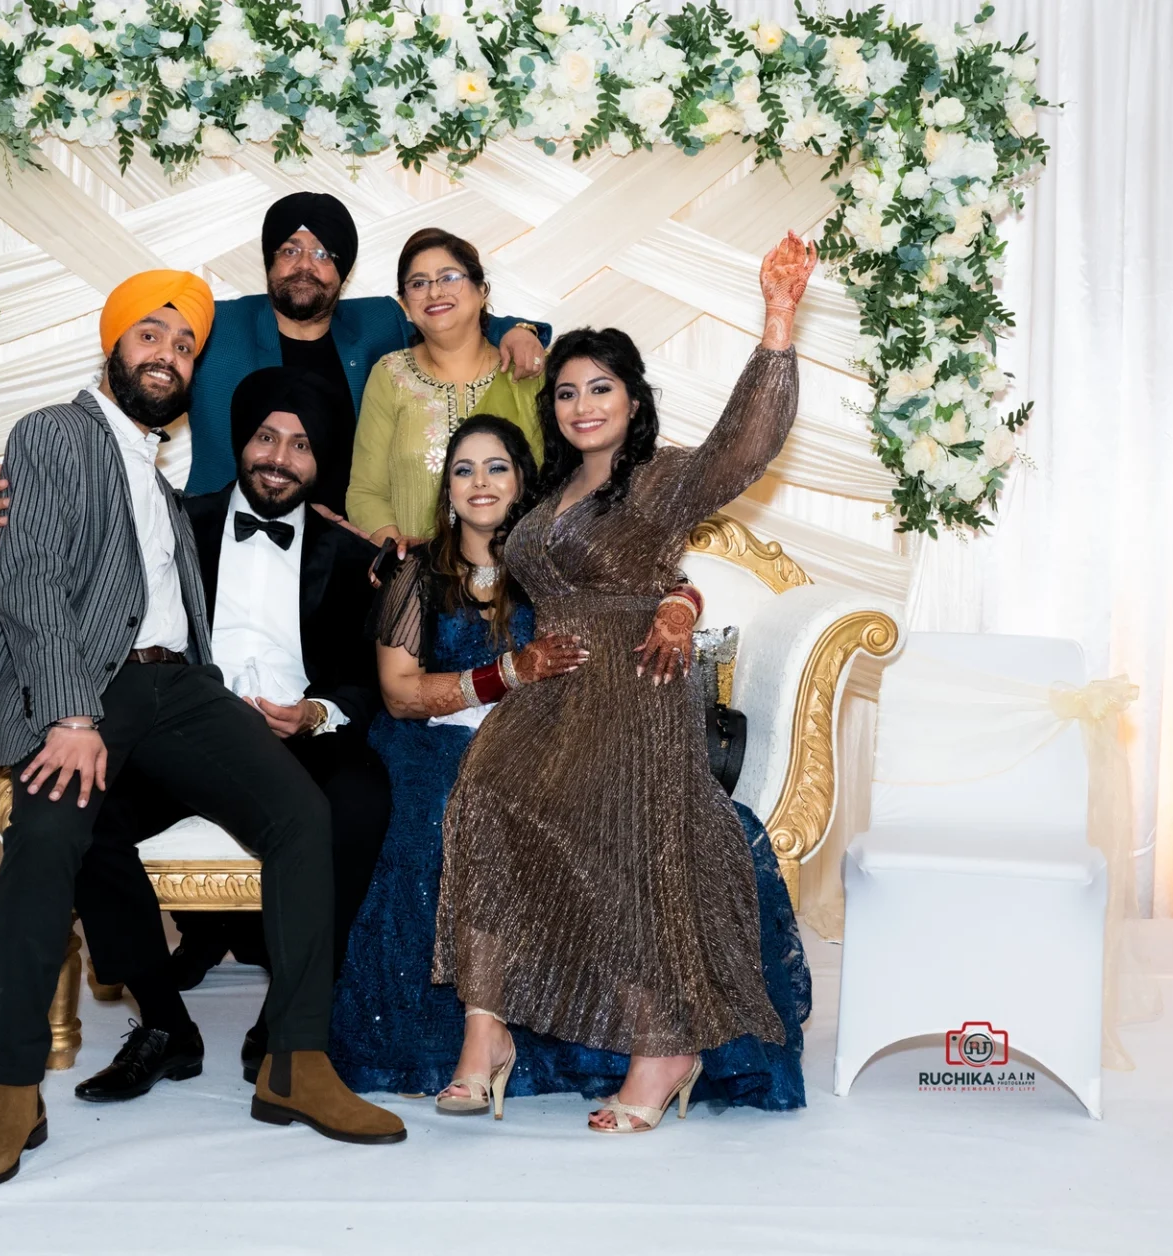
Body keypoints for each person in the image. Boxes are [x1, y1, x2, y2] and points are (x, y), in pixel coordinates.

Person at [0, 269, 404, 1190]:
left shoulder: (157, 481)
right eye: (150, 336)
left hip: (181, 688)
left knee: (302, 815)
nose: (167, 354)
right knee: (48, 837)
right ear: (112, 345)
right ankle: (12, 1087)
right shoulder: (54, 432)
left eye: (184, 344)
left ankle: (295, 1063)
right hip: (91, 688)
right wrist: (73, 715)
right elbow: (31, 580)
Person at [435, 231, 818, 1133]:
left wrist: (778, 321)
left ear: (634, 398)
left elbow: (746, 444)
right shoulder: (550, 490)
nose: (580, 404)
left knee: (625, 835)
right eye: (566, 392)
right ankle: (486, 1033)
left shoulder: (661, 479)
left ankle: (664, 1046)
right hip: (552, 693)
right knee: (481, 801)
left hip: (638, 686)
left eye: (599, 387)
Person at [333, 418, 810, 1114]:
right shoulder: (419, 574)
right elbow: (402, 696)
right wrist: (506, 673)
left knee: (635, 823)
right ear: (446, 491)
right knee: (446, 811)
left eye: (498, 468)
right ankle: (479, 1033)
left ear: (526, 483)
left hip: (563, 737)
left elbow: (658, 582)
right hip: (439, 737)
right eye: (463, 470)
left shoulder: (552, 557)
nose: (480, 483)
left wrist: (680, 605)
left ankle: (639, 1039)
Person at [89, 367, 392, 1086]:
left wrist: (317, 712)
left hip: (301, 743)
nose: (280, 458)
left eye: (300, 446)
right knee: (81, 804)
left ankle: (282, 1026)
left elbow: (368, 678)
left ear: (320, 464)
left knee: (364, 801)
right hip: (181, 734)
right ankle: (163, 1023)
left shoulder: (353, 557)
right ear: (241, 442)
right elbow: (80, 577)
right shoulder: (173, 525)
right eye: (266, 438)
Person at [0, 194, 550, 560]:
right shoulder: (220, 324)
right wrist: (22, 487)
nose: (305, 263)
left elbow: (451, 320)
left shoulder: (377, 325)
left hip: (351, 551)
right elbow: (131, 379)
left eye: (323, 253)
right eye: (289, 249)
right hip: (223, 539)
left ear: (342, 272)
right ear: (269, 261)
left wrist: (516, 330)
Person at [346, 228, 546, 547]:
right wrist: (399, 556)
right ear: (405, 305)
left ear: (482, 290)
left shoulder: (522, 371)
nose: (435, 293)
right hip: (415, 583)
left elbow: (553, 486)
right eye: (418, 284)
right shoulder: (390, 374)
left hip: (514, 580)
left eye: (449, 277)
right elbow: (366, 492)